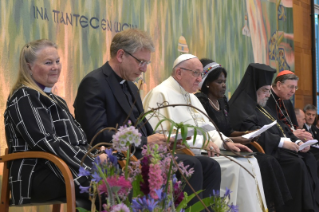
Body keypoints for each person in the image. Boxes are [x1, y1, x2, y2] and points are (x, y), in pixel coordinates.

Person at [73, 29, 221, 207]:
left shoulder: (131, 86)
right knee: (192, 164)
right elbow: (95, 136)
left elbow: (144, 128)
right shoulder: (95, 83)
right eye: (140, 62)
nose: (144, 69)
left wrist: (168, 141)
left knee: (211, 166)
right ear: (121, 55)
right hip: (119, 159)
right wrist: (145, 141)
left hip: (140, 154)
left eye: (147, 63)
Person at [143, 54, 268, 212]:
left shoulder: (191, 97)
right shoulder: (160, 94)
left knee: (250, 162)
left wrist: (225, 142)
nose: (199, 79)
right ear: (179, 73)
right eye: (196, 73)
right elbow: (159, 138)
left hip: (204, 152)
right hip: (187, 155)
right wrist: (201, 143)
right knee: (237, 168)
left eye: (201, 74)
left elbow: (208, 127)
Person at [4, 39, 107, 206]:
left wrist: (96, 154)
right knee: (110, 187)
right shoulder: (24, 96)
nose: (55, 67)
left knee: (123, 182)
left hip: (62, 167)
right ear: (29, 66)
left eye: (57, 61)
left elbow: (75, 139)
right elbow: (45, 141)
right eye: (48, 62)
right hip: (37, 175)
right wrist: (92, 161)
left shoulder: (56, 99)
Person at [195, 59, 292, 211]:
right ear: (207, 83)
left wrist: (247, 134)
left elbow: (228, 131)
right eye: (219, 82)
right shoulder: (200, 101)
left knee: (264, 160)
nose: (224, 86)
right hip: (216, 148)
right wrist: (238, 138)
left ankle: (269, 206)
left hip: (228, 144)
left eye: (224, 81)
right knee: (264, 161)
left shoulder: (222, 101)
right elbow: (214, 134)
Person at [229, 63, 319, 212]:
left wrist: (296, 141)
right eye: (265, 90)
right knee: (296, 163)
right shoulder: (241, 106)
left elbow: (280, 126)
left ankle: (310, 206)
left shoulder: (260, 104)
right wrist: (283, 142)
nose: (268, 94)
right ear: (255, 89)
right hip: (258, 149)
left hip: (272, 147)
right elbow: (252, 133)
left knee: (307, 158)